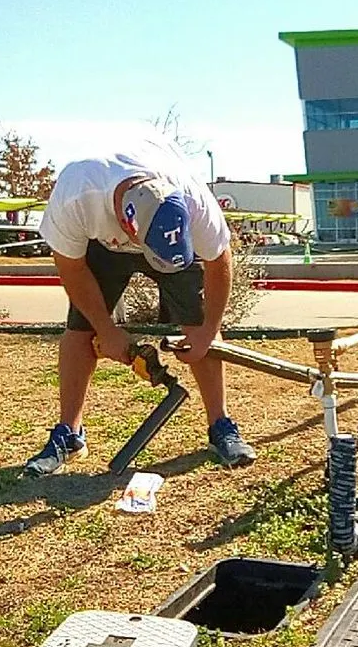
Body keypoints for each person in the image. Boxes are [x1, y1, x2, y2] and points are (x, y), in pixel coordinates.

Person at [22, 130, 256, 477]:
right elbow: (72, 270)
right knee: (80, 329)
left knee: (198, 322)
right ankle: (69, 434)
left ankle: (220, 425)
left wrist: (208, 331)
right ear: (127, 226)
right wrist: (106, 330)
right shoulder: (77, 195)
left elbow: (219, 259)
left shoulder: (191, 198)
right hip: (100, 242)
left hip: (155, 220)